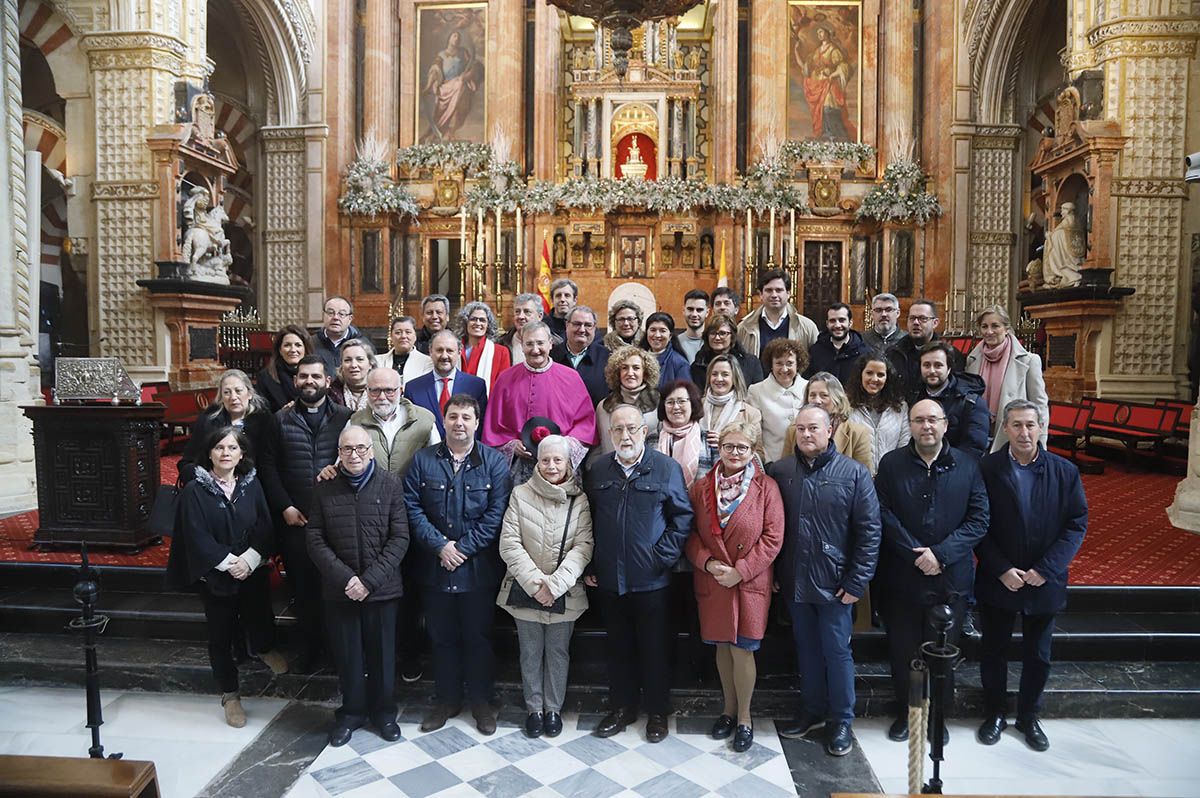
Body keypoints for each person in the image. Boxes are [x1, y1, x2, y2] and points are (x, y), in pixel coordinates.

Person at [975, 399, 1087, 752]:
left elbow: (1075, 525)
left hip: (1044, 579)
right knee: (993, 650)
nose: (1024, 432)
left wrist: (1045, 570)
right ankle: (994, 713)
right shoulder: (987, 469)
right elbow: (979, 524)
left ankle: (1028, 716)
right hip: (1000, 577)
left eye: (1030, 425)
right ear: (1005, 429)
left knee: (1038, 655)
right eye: (1017, 425)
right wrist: (1001, 568)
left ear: (1041, 428)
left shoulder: (1064, 471)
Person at [875, 398, 989, 744]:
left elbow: (979, 518)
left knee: (943, 653)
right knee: (904, 651)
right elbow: (882, 514)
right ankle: (907, 714)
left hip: (950, 578)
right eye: (919, 420)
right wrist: (916, 554)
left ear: (944, 425)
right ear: (909, 425)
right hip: (903, 577)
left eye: (932, 420)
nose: (926, 426)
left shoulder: (968, 466)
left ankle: (938, 716)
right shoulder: (892, 464)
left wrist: (940, 554)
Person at [771, 405, 880, 756]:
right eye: (800, 428)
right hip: (794, 580)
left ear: (830, 429)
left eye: (813, 428)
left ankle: (841, 720)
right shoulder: (782, 470)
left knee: (837, 652)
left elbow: (869, 531)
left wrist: (857, 580)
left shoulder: (853, 474)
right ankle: (813, 710)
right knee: (806, 649)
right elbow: (771, 526)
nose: (805, 434)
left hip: (836, 583)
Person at [584, 404, 694, 743]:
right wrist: (591, 563)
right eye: (617, 429)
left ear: (644, 431)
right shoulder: (599, 470)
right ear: (610, 433)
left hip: (652, 580)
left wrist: (660, 556)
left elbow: (683, 517)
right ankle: (622, 708)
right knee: (618, 648)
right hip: (609, 579)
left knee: (655, 648)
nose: (625, 435)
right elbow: (585, 520)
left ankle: (657, 712)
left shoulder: (665, 468)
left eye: (631, 428)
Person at [165, 426, 288, 727]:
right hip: (217, 575)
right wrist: (228, 562)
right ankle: (230, 695)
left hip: (251, 570)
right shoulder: (195, 490)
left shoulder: (251, 484)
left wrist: (249, 559)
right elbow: (195, 535)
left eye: (232, 448)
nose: (225, 453)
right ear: (208, 453)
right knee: (220, 636)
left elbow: (264, 525)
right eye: (219, 448)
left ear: (241, 453)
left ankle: (262, 648)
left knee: (259, 615)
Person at [405, 395, 513, 735]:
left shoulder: (495, 463)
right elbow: (411, 508)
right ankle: (447, 700)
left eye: (467, 417)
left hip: (477, 569)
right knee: (441, 638)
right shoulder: (422, 461)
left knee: (478, 638)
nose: (459, 423)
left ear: (477, 422)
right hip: (434, 568)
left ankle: (482, 702)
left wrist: (462, 548)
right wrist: (440, 546)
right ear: (444, 420)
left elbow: (498, 514)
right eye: (453, 417)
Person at [307, 425, 410, 747]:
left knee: (383, 656)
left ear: (372, 451)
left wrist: (368, 581)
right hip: (341, 590)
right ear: (338, 453)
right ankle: (351, 713)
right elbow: (314, 538)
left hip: (382, 589)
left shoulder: (391, 484)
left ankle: (384, 713)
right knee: (348, 656)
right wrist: (347, 580)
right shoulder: (324, 487)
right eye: (347, 449)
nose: (355, 455)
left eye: (361, 449)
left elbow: (400, 538)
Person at [686, 422, 785, 752]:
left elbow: (773, 538)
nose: (735, 453)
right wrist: (709, 564)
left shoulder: (766, 487)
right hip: (714, 579)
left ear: (753, 450)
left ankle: (745, 718)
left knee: (743, 648)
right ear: (719, 449)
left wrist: (740, 571)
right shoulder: (702, 488)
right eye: (729, 446)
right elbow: (691, 535)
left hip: (748, 582)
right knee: (722, 647)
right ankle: (727, 712)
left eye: (742, 447)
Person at [497, 434, 594, 739]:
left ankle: (553, 708)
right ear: (536, 461)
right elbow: (509, 543)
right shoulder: (520, 495)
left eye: (558, 460)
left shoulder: (580, 499)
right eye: (545, 459)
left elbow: (584, 546)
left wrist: (555, 585)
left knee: (557, 652)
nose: (551, 466)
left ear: (568, 463)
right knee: (529, 651)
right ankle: (534, 709)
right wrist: (537, 584)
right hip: (525, 590)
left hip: (565, 592)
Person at [347, 367, 439, 683]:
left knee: (411, 592)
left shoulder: (424, 420)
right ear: (366, 393)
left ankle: (411, 655)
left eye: (388, 390)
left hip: (413, 515)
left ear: (401, 390)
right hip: (371, 520)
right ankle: (380, 659)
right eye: (375, 391)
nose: (382, 397)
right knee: (379, 592)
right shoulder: (356, 421)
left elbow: (437, 462)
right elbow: (345, 459)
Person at [269, 355, 354, 670]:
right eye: (303, 376)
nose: (309, 382)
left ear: (328, 381)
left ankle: (337, 653)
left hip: (336, 521)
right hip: (297, 519)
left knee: (334, 588)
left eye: (316, 376)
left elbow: (357, 459)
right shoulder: (280, 420)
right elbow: (269, 467)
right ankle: (308, 651)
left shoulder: (347, 418)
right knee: (302, 589)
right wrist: (285, 506)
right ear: (295, 381)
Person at [484, 322, 597, 483]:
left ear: (550, 344)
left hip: (560, 464)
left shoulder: (571, 377)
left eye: (540, 343)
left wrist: (564, 445)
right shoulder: (505, 379)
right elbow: (493, 428)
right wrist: (511, 445)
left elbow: (586, 424)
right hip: (519, 467)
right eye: (529, 344)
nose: (535, 349)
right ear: (521, 346)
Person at [179, 370, 281, 495]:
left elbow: (270, 464)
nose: (233, 397)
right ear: (221, 398)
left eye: (238, 391)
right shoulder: (208, 422)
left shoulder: (265, 421)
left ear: (249, 394)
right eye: (227, 392)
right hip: (212, 491)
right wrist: (207, 483)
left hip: (255, 491)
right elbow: (187, 462)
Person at [965, 305, 1049, 453]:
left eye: (995, 326)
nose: (989, 331)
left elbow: (1040, 405)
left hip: (1012, 438)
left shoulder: (1029, 361)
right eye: (984, 326)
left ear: (1007, 328)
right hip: (978, 436)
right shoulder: (972, 360)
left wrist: (1040, 444)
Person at [405, 331, 488, 440]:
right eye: (439, 350)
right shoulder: (413, 388)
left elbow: (481, 425)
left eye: (449, 351)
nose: (444, 356)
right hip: (425, 454)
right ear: (430, 351)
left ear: (459, 352)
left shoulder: (476, 386)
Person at [916, 341, 990, 460]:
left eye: (938, 365)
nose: (932, 371)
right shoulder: (914, 397)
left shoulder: (971, 402)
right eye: (926, 365)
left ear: (949, 368)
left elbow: (974, 447)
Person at [782, 373, 872, 470]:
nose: (817, 400)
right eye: (812, 395)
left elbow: (863, 475)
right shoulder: (794, 430)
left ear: (837, 398)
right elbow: (785, 469)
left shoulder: (857, 434)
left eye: (824, 395)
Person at [735, 270, 819, 372]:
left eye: (779, 290)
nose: (774, 295)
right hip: (756, 387)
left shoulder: (807, 327)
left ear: (788, 294)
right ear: (761, 294)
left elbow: (815, 364)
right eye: (769, 290)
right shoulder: (744, 327)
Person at [593, 344, 661, 464]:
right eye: (624, 368)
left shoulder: (659, 403)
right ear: (617, 373)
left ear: (645, 373)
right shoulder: (603, 407)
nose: (630, 373)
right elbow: (603, 446)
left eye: (636, 368)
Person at [699, 355, 764, 479]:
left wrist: (726, 444)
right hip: (700, 479)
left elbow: (759, 455)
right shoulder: (695, 407)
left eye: (725, 374)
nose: (719, 379)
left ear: (734, 378)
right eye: (714, 374)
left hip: (736, 480)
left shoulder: (751, 414)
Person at [886, 299, 965, 400]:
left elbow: (956, 390)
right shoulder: (894, 352)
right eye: (912, 318)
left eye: (922, 318)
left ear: (935, 323)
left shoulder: (950, 354)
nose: (916, 323)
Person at [747, 338, 809, 463]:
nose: (784, 369)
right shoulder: (756, 391)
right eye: (779, 363)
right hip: (772, 463)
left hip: (806, 462)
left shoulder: (809, 388)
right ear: (771, 365)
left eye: (789, 363)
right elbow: (754, 435)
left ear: (798, 364)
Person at [846, 354, 911, 475]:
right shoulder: (846, 406)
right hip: (856, 477)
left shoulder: (900, 407)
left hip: (892, 476)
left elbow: (905, 444)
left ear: (888, 378)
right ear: (861, 374)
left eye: (880, 375)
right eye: (869, 373)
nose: (874, 379)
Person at [550, 305, 611, 407]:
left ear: (594, 328)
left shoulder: (606, 358)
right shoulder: (551, 356)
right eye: (577, 324)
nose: (582, 329)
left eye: (588, 325)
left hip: (595, 420)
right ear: (567, 325)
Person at [655, 380, 705, 487]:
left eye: (681, 401)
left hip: (698, 501)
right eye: (670, 402)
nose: (676, 407)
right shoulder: (653, 438)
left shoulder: (707, 440)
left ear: (692, 404)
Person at [805, 302, 869, 386]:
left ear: (850, 323)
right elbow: (808, 381)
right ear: (827, 324)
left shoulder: (864, 353)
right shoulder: (815, 351)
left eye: (842, 320)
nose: (837, 325)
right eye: (832, 321)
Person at [455, 301, 511, 394]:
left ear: (488, 325)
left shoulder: (500, 352)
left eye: (482, 320)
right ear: (465, 322)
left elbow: (504, 386)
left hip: (487, 405)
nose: (478, 323)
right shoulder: (455, 349)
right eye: (473, 319)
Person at [691, 315, 765, 387]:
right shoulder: (698, 365)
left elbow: (757, 394)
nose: (717, 338)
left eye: (722, 333)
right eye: (713, 333)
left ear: (732, 336)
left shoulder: (751, 363)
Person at [256, 324, 314, 412]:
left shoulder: (316, 375)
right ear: (280, 350)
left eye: (298, 345)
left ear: (305, 349)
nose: (293, 350)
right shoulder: (265, 377)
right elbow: (261, 413)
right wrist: (282, 414)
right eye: (287, 345)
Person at [498, 292, 561, 365]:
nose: (521, 316)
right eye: (517, 312)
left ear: (540, 316)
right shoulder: (501, 343)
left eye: (527, 312)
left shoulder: (556, 344)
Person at [378, 316, 434, 389]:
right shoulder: (378, 361)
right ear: (391, 336)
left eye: (408, 332)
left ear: (415, 336)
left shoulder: (427, 362)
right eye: (398, 332)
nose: (403, 336)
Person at [642, 311, 691, 388]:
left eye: (662, 331)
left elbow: (684, 394)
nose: (657, 335)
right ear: (646, 332)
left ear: (670, 336)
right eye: (653, 330)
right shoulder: (637, 358)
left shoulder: (680, 363)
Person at [313, 296, 360, 376]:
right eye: (330, 313)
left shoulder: (362, 345)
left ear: (350, 318)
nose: (335, 318)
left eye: (341, 314)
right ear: (323, 315)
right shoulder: (310, 343)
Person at [329, 338, 377, 411]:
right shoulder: (330, 392)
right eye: (347, 360)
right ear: (341, 365)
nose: (353, 365)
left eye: (360, 359)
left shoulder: (381, 391)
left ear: (370, 364)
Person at [673, 289, 710, 364]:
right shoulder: (674, 343)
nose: (694, 314)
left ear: (707, 312)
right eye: (690, 309)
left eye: (699, 310)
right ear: (683, 310)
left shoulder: (714, 342)